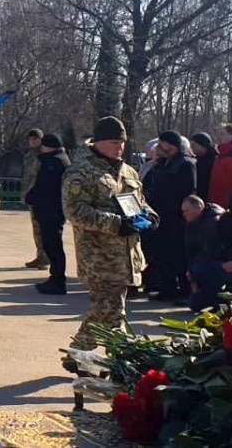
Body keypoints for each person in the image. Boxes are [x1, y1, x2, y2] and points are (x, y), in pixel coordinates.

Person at [63, 116, 158, 360]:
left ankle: (76, 354)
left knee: (105, 310)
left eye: (123, 142)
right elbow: (75, 211)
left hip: (126, 255)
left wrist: (149, 216)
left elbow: (138, 203)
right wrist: (116, 224)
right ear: (99, 142)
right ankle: (122, 360)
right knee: (112, 311)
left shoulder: (127, 171)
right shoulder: (81, 171)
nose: (120, 147)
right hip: (99, 256)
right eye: (115, 142)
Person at [142, 131, 197, 300]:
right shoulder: (161, 163)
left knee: (179, 256)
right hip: (159, 216)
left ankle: (185, 291)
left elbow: (187, 190)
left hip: (176, 217)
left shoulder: (185, 164)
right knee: (162, 255)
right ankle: (167, 288)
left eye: (163, 144)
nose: (159, 148)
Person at [26, 133, 70, 295]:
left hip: (51, 210)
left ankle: (58, 279)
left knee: (53, 245)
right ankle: (55, 277)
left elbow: (46, 187)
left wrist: (33, 196)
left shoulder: (55, 162)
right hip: (49, 210)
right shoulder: (57, 160)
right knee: (50, 244)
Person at [183, 195, 232, 312]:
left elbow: (211, 250)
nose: (184, 214)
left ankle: (218, 300)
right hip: (207, 263)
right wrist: (191, 275)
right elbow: (190, 251)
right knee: (194, 305)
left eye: (187, 210)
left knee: (199, 269)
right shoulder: (191, 223)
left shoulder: (214, 221)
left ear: (198, 208)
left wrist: (194, 274)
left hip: (224, 262)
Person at [20, 128, 49, 270]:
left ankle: (46, 258)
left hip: (41, 197)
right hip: (31, 196)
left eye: (36, 139)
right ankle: (40, 256)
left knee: (43, 229)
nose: (33, 141)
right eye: (31, 139)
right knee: (36, 229)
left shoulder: (44, 155)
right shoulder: (29, 156)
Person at [190, 132, 216, 203]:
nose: (192, 148)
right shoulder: (196, 160)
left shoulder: (215, 160)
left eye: (194, 145)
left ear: (202, 145)